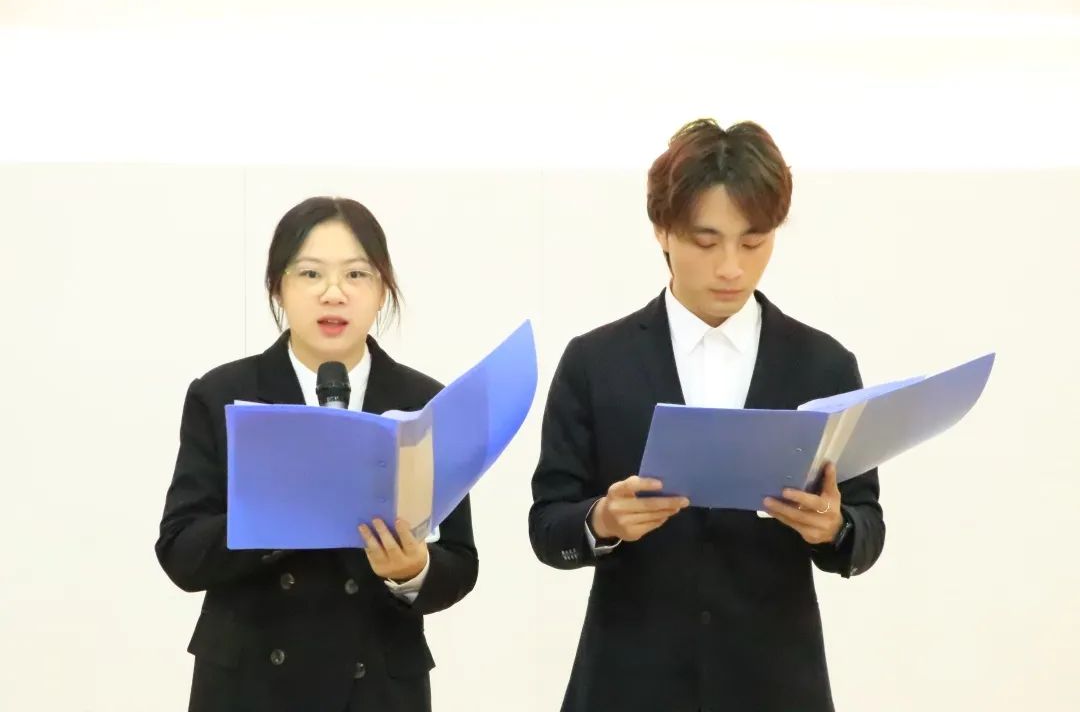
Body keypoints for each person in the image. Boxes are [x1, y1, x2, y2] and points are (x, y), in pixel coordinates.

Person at [529, 119, 885, 712]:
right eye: (705, 241)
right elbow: (547, 525)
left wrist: (834, 528)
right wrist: (603, 520)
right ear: (662, 230)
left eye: (753, 242)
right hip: (627, 684)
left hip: (776, 685)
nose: (731, 268)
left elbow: (866, 525)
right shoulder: (596, 361)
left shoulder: (822, 365)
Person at [156, 197, 477, 712]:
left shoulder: (424, 403)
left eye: (356, 274)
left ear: (382, 290)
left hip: (376, 687)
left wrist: (412, 570)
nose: (334, 293)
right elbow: (180, 554)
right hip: (250, 684)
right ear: (277, 287)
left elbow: (460, 563)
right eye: (310, 273)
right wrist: (275, 516)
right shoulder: (223, 394)